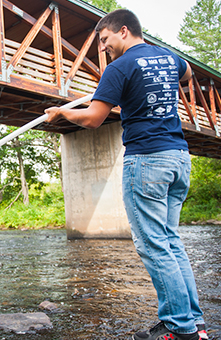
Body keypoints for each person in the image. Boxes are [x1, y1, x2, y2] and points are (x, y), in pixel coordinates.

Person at [44, 9, 207, 340]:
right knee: (170, 242)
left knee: (153, 244)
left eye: (104, 40)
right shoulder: (169, 57)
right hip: (178, 158)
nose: (103, 48)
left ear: (123, 31)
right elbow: (188, 74)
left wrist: (62, 111)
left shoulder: (119, 67)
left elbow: (92, 118)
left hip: (147, 161)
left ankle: (181, 329)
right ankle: (193, 323)